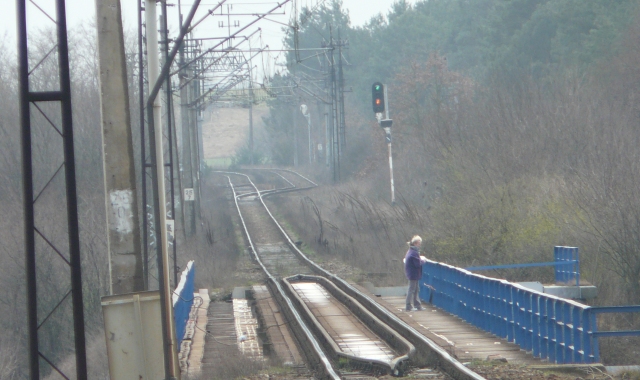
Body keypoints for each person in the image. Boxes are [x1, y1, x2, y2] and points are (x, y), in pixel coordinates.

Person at [404, 235, 426, 311]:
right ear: (415, 243)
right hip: (413, 274)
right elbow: (417, 264)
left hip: (412, 273)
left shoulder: (410, 251)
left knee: (416, 289)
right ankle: (408, 306)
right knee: (412, 289)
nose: (420, 245)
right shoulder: (414, 253)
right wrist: (423, 260)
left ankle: (417, 305)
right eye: (419, 243)